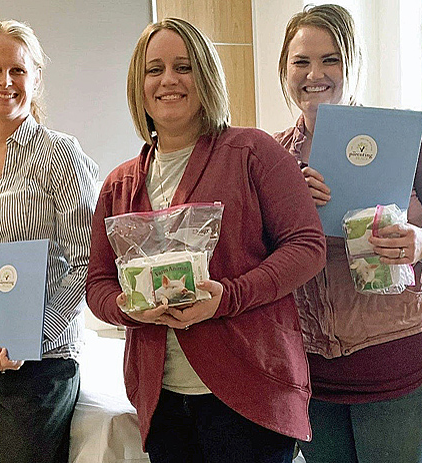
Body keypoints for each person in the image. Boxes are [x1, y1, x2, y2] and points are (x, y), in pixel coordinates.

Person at [85, 18, 327, 463]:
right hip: (162, 401)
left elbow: (307, 247)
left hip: (250, 397)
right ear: (139, 86)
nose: (168, 80)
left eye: (184, 66)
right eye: (153, 69)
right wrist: (128, 307)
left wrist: (228, 296)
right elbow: (98, 284)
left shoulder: (253, 153)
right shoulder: (118, 185)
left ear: (207, 76)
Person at [0, 19, 98, 463]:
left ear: (35, 77)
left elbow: (87, 260)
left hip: (41, 362)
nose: (5, 81)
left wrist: (28, 335)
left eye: (17, 70)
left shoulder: (61, 155)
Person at [275, 5, 422, 462]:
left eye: (331, 59)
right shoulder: (270, 158)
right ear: (286, 69)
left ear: (352, 63)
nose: (314, 74)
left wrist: (420, 241)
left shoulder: (404, 139)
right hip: (312, 376)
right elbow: (256, 259)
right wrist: (284, 206)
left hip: (395, 370)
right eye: (301, 61)